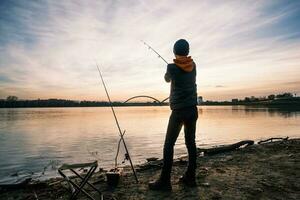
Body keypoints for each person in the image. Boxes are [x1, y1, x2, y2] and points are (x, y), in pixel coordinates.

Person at [149, 39, 198, 191]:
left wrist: (169, 70)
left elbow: (166, 79)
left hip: (178, 111)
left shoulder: (171, 67)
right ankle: (190, 177)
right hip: (192, 110)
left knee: (168, 145)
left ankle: (165, 181)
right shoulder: (194, 65)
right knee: (191, 144)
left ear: (174, 52)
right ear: (187, 51)